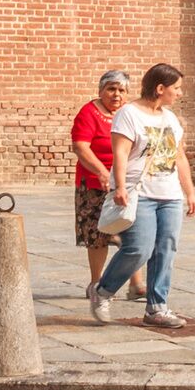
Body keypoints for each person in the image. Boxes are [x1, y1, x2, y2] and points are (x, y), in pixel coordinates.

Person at [92, 62, 195, 328]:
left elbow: (179, 156)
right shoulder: (129, 114)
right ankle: (103, 290)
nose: (180, 93)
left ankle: (157, 308)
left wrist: (189, 192)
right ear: (160, 88)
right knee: (139, 249)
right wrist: (120, 187)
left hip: (170, 195)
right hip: (139, 194)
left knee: (166, 249)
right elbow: (121, 153)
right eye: (176, 88)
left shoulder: (170, 118)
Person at [71, 69, 134, 300]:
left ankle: (136, 284)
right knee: (97, 234)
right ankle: (96, 282)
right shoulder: (89, 113)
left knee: (133, 232)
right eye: (111, 89)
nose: (116, 95)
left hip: (125, 181)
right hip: (94, 183)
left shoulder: (128, 113)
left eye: (121, 90)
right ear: (101, 91)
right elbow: (80, 146)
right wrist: (101, 172)